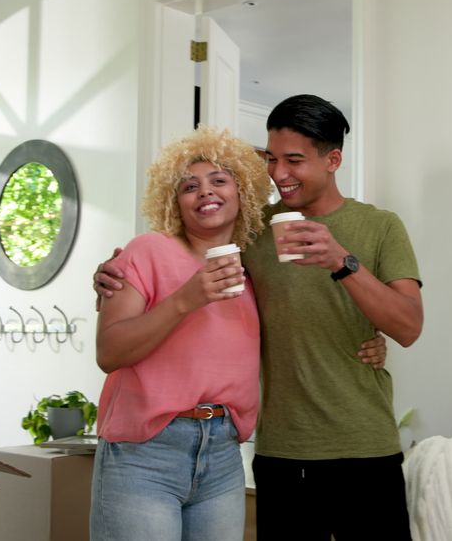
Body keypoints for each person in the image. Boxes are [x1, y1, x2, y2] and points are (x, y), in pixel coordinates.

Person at [96, 95, 423, 540]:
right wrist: (108, 278)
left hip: (365, 446)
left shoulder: (381, 227)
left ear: (333, 159)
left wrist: (341, 262)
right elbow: (178, 261)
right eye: (271, 159)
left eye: (294, 160)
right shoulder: (250, 232)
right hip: (280, 453)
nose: (280, 174)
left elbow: (408, 326)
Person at [91, 125, 270, 541]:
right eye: (190, 186)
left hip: (224, 454)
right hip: (145, 453)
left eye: (219, 180)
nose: (205, 192)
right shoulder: (147, 250)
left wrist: (369, 343)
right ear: (174, 201)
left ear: (242, 191)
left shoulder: (252, 268)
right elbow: (109, 352)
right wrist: (185, 299)